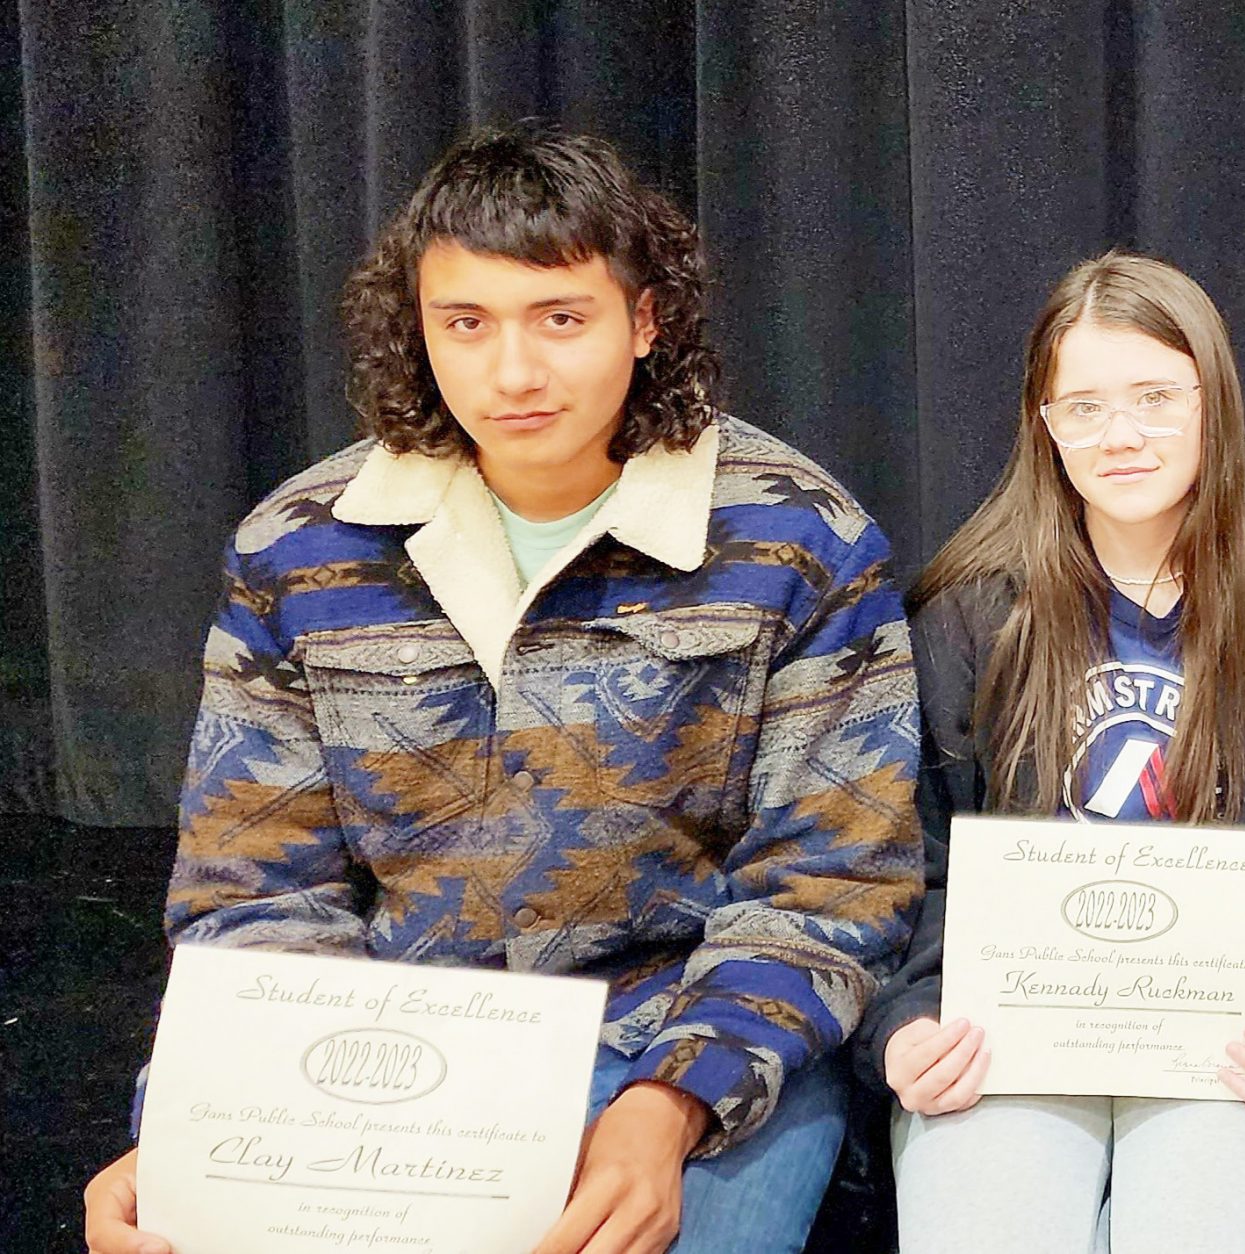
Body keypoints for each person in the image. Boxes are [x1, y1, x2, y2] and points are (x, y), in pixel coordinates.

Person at [80, 123, 923, 1254]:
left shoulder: (796, 538)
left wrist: (665, 1109)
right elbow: (252, 891)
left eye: (560, 319)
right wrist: (215, 1120)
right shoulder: (300, 547)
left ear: (646, 318)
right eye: (465, 324)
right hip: (399, 1035)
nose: (512, 373)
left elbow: (831, 887)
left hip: (687, 1039)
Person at [852, 251, 1245, 1254]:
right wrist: (905, 1028)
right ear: (1045, 424)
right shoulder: (969, 613)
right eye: (1086, 406)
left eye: (1154, 397)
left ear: (1213, 407)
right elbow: (912, 867)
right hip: (1001, 1040)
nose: (1123, 434)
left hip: (1226, 1040)